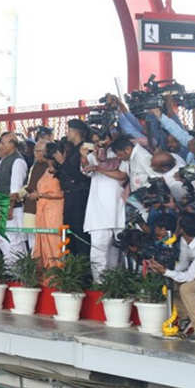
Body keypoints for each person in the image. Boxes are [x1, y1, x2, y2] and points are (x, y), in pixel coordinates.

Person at [149, 214, 195, 341]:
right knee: (171, 283)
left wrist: (166, 271)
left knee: (186, 288)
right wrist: (163, 270)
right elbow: (182, 265)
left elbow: (189, 276)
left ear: (181, 229)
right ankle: (185, 319)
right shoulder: (184, 240)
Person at [82, 137, 128, 282]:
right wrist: (84, 155)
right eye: (97, 140)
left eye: (104, 139)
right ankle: (100, 286)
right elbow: (85, 171)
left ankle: (115, 286)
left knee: (117, 252)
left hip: (119, 210)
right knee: (98, 251)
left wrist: (99, 168)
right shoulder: (92, 156)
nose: (101, 142)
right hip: (98, 212)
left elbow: (122, 176)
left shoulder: (121, 155)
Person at [0, 133, 28, 265]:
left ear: (12, 144)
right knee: (0, 238)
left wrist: (9, 208)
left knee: (14, 240)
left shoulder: (18, 161)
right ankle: (10, 266)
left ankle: (19, 270)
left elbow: (15, 190)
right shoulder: (2, 161)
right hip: (0, 206)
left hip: (12, 209)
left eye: (3, 143)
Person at [58, 119, 92, 256]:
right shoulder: (71, 150)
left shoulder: (86, 148)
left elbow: (83, 175)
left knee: (79, 233)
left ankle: (84, 271)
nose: (67, 134)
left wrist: (62, 162)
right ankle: (73, 269)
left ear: (75, 132)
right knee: (69, 233)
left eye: (69, 130)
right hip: (69, 195)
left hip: (80, 195)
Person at [30, 143, 64, 267]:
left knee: (53, 241)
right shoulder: (46, 170)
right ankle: (45, 273)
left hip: (54, 210)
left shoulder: (61, 171)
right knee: (43, 240)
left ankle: (56, 273)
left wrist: (41, 195)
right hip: (42, 210)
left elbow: (62, 193)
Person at [22, 142, 48, 252]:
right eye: (35, 151)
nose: (35, 154)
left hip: (44, 206)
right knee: (32, 238)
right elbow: (29, 184)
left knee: (44, 238)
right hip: (30, 205)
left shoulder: (51, 166)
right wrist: (18, 194)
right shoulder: (35, 165)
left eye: (39, 151)